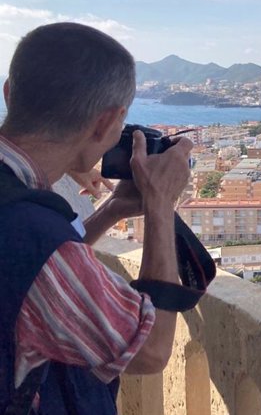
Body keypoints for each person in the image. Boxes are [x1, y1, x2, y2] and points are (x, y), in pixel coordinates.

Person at [0, 22, 193, 414]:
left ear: (8, 94)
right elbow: (151, 351)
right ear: (106, 122)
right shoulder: (33, 236)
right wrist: (159, 205)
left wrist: (113, 209)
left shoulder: (21, 214)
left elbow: (25, 278)